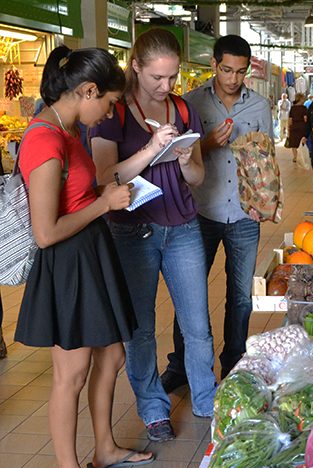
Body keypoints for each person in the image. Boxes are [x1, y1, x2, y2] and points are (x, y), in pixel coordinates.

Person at [14, 45, 152, 468]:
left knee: (111, 356)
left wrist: (108, 193)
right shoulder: (43, 138)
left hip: (91, 254)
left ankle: (105, 447)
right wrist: (104, 204)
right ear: (87, 89)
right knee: (69, 374)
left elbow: (80, 193)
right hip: (68, 263)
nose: (109, 112)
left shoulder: (68, 129)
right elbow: (46, 231)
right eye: (109, 102)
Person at [90, 28, 217, 442]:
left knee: (197, 324)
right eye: (156, 78)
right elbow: (104, 178)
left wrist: (183, 160)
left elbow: (197, 175)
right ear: (136, 67)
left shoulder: (182, 110)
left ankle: (206, 401)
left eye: (173, 77)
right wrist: (149, 149)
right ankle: (152, 408)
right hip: (132, 232)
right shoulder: (114, 112)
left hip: (182, 227)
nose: (166, 87)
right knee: (141, 328)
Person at [160, 34, 274, 391]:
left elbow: (266, 162)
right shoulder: (191, 104)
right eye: (227, 70)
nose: (233, 79)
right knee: (189, 294)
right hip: (200, 213)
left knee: (240, 298)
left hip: (244, 216)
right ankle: (181, 366)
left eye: (241, 72)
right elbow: (179, 160)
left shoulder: (259, 107)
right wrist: (207, 143)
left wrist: (265, 204)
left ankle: (234, 365)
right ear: (214, 65)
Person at [287, 92, 308, 163]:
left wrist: (289, 128)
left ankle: (295, 157)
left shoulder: (292, 108)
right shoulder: (304, 108)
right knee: (301, 142)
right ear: (301, 99)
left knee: (293, 143)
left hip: (294, 127)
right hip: (302, 126)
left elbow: (290, 120)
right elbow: (305, 118)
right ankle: (301, 157)